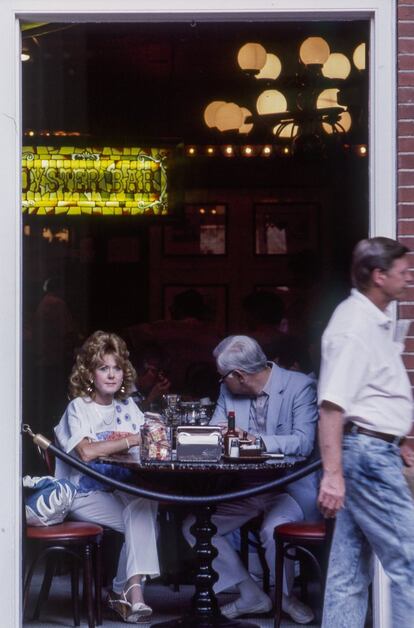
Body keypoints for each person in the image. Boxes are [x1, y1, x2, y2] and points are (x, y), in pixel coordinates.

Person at [183, 335, 319, 624]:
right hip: (244, 487)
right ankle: (251, 595)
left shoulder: (299, 387)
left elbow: (304, 443)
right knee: (195, 528)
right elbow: (213, 435)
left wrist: (254, 441)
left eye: (223, 378)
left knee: (273, 531)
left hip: (286, 487)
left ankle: (284, 598)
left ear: (239, 376)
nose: (221, 383)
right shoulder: (229, 392)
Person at [317, 237, 414, 628]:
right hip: (368, 456)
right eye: (403, 272)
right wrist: (333, 474)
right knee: (410, 559)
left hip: (373, 451)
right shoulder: (354, 326)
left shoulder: (374, 319)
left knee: (348, 571)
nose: (408, 278)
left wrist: (400, 438)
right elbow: (332, 406)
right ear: (379, 276)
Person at [54, 331, 159, 623]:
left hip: (119, 489)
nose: (112, 375)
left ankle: (127, 592)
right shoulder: (79, 408)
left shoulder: (128, 406)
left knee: (145, 505)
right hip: (83, 494)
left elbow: (148, 443)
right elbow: (86, 452)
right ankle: (127, 593)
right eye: (103, 368)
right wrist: (130, 441)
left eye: (116, 368)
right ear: (89, 373)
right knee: (143, 512)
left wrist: (154, 432)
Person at [129, 342, 171, 412]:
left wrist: (164, 398)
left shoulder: (148, 391)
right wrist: (150, 398)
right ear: (141, 370)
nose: (159, 377)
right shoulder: (125, 390)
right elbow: (130, 415)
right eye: (155, 371)